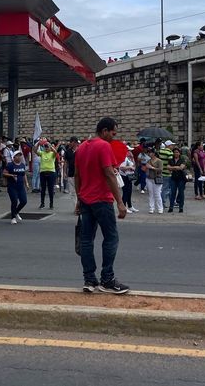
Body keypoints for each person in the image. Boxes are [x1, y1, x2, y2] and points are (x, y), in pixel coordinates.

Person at [74, 117, 129, 295]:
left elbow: (77, 175)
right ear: (104, 131)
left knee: (86, 240)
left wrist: (78, 198)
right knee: (111, 238)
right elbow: (109, 174)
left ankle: (89, 279)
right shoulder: (104, 146)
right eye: (113, 133)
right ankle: (107, 279)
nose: (114, 137)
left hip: (85, 199)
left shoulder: (82, 146)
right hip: (102, 200)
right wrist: (120, 202)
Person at [4, 150, 29, 224]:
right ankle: (13, 218)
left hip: (21, 186)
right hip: (12, 186)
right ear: (14, 157)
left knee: (24, 201)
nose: (19, 157)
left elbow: (24, 174)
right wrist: (12, 175)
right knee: (14, 201)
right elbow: (4, 173)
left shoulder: (22, 165)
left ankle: (16, 212)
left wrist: (26, 183)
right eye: (17, 156)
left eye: (20, 155)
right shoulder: (10, 165)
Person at [37, 138, 59, 209]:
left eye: (47, 147)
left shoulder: (52, 154)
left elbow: (56, 152)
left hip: (51, 173)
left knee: (50, 189)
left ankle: (51, 204)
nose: (46, 148)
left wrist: (50, 145)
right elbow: (34, 151)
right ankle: (42, 203)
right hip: (43, 172)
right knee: (43, 189)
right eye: (45, 147)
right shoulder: (42, 153)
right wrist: (38, 144)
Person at [166, 146, 189, 213]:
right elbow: (168, 167)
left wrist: (173, 167)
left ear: (179, 153)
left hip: (181, 178)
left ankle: (181, 207)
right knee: (172, 193)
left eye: (177, 152)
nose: (176, 153)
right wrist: (176, 167)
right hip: (173, 178)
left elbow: (181, 168)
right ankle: (171, 207)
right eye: (174, 152)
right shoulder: (171, 160)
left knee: (181, 193)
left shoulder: (182, 160)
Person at [144, 147, 164, 214]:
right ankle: (151, 208)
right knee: (150, 194)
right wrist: (145, 167)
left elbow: (160, 169)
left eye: (150, 152)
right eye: (149, 152)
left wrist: (152, 167)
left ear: (154, 153)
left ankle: (160, 208)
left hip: (157, 178)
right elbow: (145, 169)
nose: (149, 154)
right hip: (149, 178)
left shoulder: (159, 161)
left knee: (157, 194)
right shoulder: (148, 160)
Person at [119, 145, 138, 213]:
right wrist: (130, 167)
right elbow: (121, 168)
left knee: (129, 191)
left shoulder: (128, 158)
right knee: (125, 192)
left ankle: (130, 206)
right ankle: (124, 207)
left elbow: (134, 166)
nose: (130, 152)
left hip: (129, 176)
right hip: (124, 176)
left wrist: (132, 158)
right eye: (129, 150)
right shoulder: (123, 158)